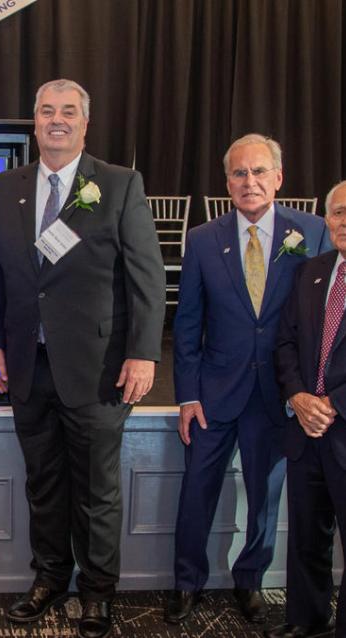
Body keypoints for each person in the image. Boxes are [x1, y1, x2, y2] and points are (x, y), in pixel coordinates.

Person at [0, 78, 165, 638]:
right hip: (27, 365)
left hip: (99, 368)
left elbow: (147, 277)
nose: (56, 120)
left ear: (85, 122)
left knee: (96, 491)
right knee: (44, 482)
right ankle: (50, 578)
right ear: (34, 121)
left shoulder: (120, 184)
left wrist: (143, 354)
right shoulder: (5, 186)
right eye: (46, 111)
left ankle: (98, 592)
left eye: (68, 111)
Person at [167, 134, 329, 625]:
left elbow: (320, 319)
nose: (249, 181)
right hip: (213, 392)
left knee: (264, 498)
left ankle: (250, 580)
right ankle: (186, 582)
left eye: (259, 171)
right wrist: (187, 396)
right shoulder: (202, 239)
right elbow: (187, 324)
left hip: (279, 395)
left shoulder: (313, 231)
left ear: (279, 178)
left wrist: (309, 390)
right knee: (196, 491)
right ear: (227, 182)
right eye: (239, 173)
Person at [268, 180, 346, 638]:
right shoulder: (311, 271)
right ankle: (307, 620)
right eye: (338, 213)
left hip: (340, 424)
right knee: (306, 536)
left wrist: (333, 404)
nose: (344, 222)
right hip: (305, 428)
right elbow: (285, 342)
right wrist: (298, 396)